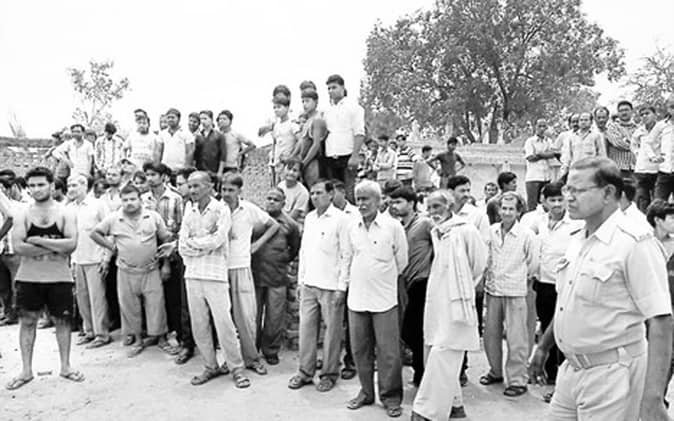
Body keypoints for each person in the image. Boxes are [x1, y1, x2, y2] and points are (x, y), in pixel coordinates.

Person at [529, 157, 672, 420]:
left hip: (613, 375)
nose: (569, 197)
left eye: (578, 190)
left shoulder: (635, 243)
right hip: (571, 370)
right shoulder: (578, 239)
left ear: (608, 193)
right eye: (567, 189)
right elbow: (568, 303)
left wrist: (652, 398)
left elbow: (661, 321)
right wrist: (544, 346)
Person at [410, 190, 488, 421]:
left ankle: (426, 411)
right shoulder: (437, 232)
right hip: (438, 299)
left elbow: (479, 263)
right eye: (430, 208)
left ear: (450, 206)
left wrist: (462, 288)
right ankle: (455, 405)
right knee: (437, 349)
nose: (433, 212)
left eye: (437, 206)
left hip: (458, 301)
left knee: (444, 353)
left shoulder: (466, 230)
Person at [6, 167, 83, 390]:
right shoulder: (22, 213)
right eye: (32, 185)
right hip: (29, 277)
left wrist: (38, 241)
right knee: (27, 322)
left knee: (63, 321)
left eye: (41, 184)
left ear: (51, 185)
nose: (36, 189)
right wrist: (55, 245)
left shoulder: (65, 212)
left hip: (59, 277)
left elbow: (71, 245)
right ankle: (26, 370)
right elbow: (19, 247)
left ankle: (66, 367)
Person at [178, 171, 251, 389]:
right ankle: (210, 366)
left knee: (224, 324)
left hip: (215, 275)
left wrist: (194, 243)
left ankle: (236, 368)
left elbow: (218, 240)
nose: (192, 190)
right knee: (199, 324)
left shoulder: (221, 209)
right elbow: (181, 245)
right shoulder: (189, 209)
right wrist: (200, 244)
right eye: (190, 186)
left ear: (210, 186)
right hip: (192, 274)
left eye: (197, 186)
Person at [343, 180, 408, 418]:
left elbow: (402, 261)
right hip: (357, 298)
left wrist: (381, 277)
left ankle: (391, 397)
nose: (361, 204)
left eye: (366, 199)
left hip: (384, 299)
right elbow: (347, 258)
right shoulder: (352, 226)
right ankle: (366, 392)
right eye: (358, 199)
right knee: (360, 349)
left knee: (388, 351)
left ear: (379, 201)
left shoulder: (393, 227)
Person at [90, 184, 173, 358]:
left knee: (156, 305)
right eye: (125, 200)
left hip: (151, 269)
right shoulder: (114, 218)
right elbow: (95, 233)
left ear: (140, 199)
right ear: (121, 201)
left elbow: (165, 239)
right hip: (126, 271)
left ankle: (161, 339)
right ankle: (137, 340)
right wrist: (111, 247)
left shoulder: (153, 216)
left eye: (133, 199)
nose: (129, 203)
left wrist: (166, 265)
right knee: (129, 307)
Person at [288, 180, 349, 392]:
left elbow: (346, 255)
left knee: (332, 332)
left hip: (331, 286)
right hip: (309, 284)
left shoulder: (341, 219)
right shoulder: (310, 218)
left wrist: (342, 287)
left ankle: (329, 374)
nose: (314, 197)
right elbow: (304, 252)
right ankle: (305, 372)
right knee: (306, 330)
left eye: (319, 193)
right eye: (312, 193)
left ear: (331, 194)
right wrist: (300, 281)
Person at [220, 172, 279, 375]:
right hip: (218, 269)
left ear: (239, 190)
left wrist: (257, 245)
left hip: (241, 267)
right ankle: (228, 359)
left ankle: (252, 358)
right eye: (223, 189)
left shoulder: (248, 209)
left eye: (231, 190)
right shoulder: (216, 209)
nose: (226, 194)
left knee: (245, 317)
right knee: (223, 319)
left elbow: (274, 225)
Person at [480, 192, 538, 398]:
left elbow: (533, 263)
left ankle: (517, 380)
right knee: (491, 334)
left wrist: (522, 279)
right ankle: (495, 371)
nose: (506, 212)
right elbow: (485, 257)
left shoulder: (527, 235)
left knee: (517, 338)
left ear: (519, 211)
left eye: (511, 209)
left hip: (516, 291)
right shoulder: (491, 231)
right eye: (503, 208)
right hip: (493, 289)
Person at [529, 182, 583, 400]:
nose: (557, 204)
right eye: (552, 200)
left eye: (560, 199)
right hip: (543, 283)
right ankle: (548, 373)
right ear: (544, 201)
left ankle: (562, 380)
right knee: (546, 325)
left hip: (565, 285)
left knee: (563, 330)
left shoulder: (576, 224)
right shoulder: (538, 222)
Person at [143, 162, 193, 363]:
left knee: (174, 299)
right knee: (152, 298)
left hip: (171, 256)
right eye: (147, 174)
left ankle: (180, 338)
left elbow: (180, 231)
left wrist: (166, 262)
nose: (149, 178)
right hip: (148, 256)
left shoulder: (176, 199)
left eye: (153, 174)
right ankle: (157, 334)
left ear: (164, 176)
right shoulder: (143, 199)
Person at [388, 186, 433, 388]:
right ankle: (419, 372)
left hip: (421, 282)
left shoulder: (424, 223)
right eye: (392, 202)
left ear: (412, 203)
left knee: (413, 331)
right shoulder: (398, 227)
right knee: (411, 332)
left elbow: (440, 245)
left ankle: (424, 374)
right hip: (404, 284)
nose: (394, 206)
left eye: (399, 202)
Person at [250, 188, 300, 366]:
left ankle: (271, 350)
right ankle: (252, 349)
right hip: (255, 275)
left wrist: (281, 259)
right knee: (253, 315)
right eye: (269, 198)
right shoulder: (258, 220)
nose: (271, 202)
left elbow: (294, 249)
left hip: (277, 277)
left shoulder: (290, 225)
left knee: (275, 317)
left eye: (276, 199)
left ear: (283, 203)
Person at [67, 173, 111, 349]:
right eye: (69, 185)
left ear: (84, 186)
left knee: (97, 299)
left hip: (95, 258)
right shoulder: (69, 208)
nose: (70, 189)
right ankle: (89, 331)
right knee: (82, 298)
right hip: (77, 259)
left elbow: (110, 231)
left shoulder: (97, 205)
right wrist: (71, 261)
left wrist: (106, 257)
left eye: (74, 185)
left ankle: (102, 334)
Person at [322, 74, 366, 202]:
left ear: (342, 87)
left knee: (349, 193)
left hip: (347, 156)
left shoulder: (354, 108)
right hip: (330, 156)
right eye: (329, 88)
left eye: (334, 87)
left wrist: (354, 156)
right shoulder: (326, 111)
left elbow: (359, 133)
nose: (331, 91)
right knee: (334, 194)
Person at [295, 88, 327, 188]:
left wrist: (304, 163)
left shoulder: (317, 120)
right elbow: (301, 142)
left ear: (316, 102)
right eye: (303, 101)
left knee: (314, 188)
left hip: (313, 162)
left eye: (307, 101)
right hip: (304, 161)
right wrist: (292, 157)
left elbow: (316, 145)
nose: (305, 104)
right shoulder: (307, 121)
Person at [559, 112, 606, 180]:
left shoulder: (597, 136)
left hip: (591, 171)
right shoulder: (571, 137)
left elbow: (602, 155)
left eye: (586, 120)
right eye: (581, 120)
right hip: (575, 171)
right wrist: (564, 172)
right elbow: (567, 156)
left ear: (591, 122)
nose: (583, 122)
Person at [631, 104, 661, 212]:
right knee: (642, 199)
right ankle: (643, 220)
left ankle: (657, 220)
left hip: (658, 169)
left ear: (655, 114)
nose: (644, 116)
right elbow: (633, 144)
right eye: (642, 114)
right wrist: (637, 153)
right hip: (642, 169)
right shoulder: (639, 131)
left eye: (647, 113)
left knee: (658, 200)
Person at [524, 119, 556, 211]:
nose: (542, 129)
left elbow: (553, 154)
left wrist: (539, 154)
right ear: (535, 127)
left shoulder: (549, 141)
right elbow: (530, 158)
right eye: (540, 126)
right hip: (533, 177)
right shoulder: (530, 141)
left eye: (544, 126)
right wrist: (544, 154)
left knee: (546, 204)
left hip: (546, 177)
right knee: (532, 205)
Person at [603, 101, 637, 177]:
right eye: (621, 111)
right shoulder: (612, 127)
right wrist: (634, 145)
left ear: (632, 111)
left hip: (635, 168)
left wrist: (626, 140)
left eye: (626, 110)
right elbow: (618, 143)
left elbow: (642, 145)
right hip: (618, 168)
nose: (624, 113)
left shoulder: (638, 128)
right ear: (618, 113)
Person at [193, 110, 227, 182]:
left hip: (213, 171)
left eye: (205, 119)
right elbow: (195, 155)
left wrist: (220, 171)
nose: (203, 121)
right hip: (200, 171)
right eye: (201, 119)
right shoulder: (198, 136)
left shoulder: (219, 135)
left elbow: (223, 155)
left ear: (211, 119)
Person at [653, 94, 674, 201]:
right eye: (672, 107)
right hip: (664, 172)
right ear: (668, 108)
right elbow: (649, 143)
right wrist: (654, 156)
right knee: (657, 205)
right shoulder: (660, 125)